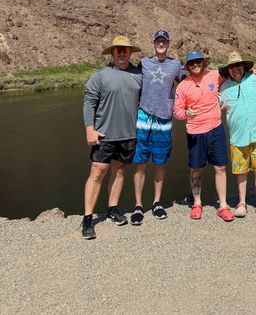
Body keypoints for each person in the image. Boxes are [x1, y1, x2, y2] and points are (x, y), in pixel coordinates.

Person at [81, 35, 143, 239]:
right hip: (104, 134)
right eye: (119, 50)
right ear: (112, 53)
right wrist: (89, 128)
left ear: (130, 53)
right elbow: (89, 101)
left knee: (119, 171)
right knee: (97, 172)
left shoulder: (138, 74)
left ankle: (112, 209)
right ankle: (88, 218)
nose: (123, 53)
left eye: (126, 50)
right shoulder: (101, 75)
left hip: (128, 134)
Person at [173, 51, 235, 222]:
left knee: (220, 167)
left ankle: (222, 205)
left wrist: (253, 72)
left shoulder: (214, 75)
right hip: (195, 133)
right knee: (196, 169)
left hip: (216, 129)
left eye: (198, 61)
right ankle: (197, 203)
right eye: (192, 63)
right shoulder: (183, 86)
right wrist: (186, 113)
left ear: (203, 62)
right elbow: (177, 111)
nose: (195, 65)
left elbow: (234, 74)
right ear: (188, 66)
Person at [130, 29, 183, 225]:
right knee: (140, 162)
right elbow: (130, 79)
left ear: (168, 44)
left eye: (164, 41)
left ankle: (157, 203)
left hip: (164, 119)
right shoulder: (144, 63)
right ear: (153, 43)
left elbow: (193, 79)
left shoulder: (175, 65)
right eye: (158, 41)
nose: (161, 44)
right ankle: (138, 205)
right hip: (144, 117)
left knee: (160, 163)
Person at [219, 52, 256, 219]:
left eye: (238, 66)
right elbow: (213, 106)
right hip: (237, 136)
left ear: (244, 67)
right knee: (240, 171)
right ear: (228, 69)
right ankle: (241, 203)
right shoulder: (224, 88)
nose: (236, 69)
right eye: (232, 67)